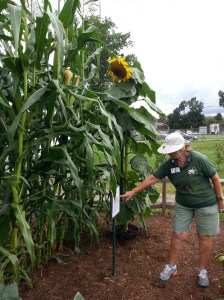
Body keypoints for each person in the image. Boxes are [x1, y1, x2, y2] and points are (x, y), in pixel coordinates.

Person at [120, 131, 224, 287]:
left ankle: (202, 270)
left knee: (204, 237)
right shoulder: (170, 164)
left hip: (206, 203)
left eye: (172, 150)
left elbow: (214, 177)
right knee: (177, 234)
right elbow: (153, 178)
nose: (169, 153)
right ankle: (171, 266)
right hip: (183, 204)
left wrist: (220, 200)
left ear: (183, 148)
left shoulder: (199, 159)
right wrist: (133, 191)